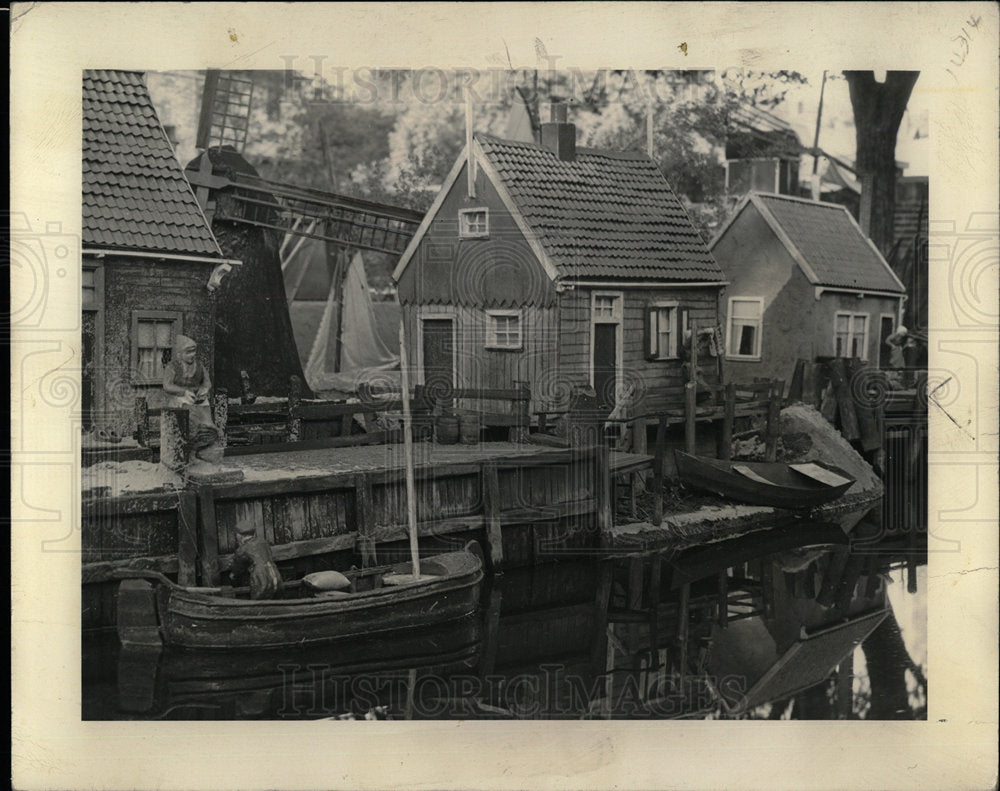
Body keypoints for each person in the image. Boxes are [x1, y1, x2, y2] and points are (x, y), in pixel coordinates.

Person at [162, 335, 223, 462]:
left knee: (207, 424)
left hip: (198, 400)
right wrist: (183, 391)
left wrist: (204, 389)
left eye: (193, 351)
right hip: (180, 399)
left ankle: (204, 445)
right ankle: (189, 449)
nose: (192, 355)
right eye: (188, 352)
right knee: (187, 423)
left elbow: (207, 382)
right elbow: (167, 385)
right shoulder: (172, 367)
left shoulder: (199, 366)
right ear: (179, 354)